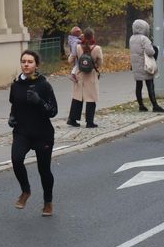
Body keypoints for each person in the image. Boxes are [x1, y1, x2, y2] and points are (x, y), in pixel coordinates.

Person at [8, 50, 58, 216]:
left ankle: (48, 202)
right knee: (16, 159)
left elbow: (53, 111)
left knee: (44, 170)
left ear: (36, 65)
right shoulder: (15, 85)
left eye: (30, 61)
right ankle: (25, 191)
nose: (26, 64)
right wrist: (12, 117)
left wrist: (39, 101)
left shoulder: (43, 85)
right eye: (24, 61)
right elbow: (14, 105)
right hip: (22, 131)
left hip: (42, 133)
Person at [67, 28, 103, 127]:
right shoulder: (97, 48)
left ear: (83, 36)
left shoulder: (78, 47)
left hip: (79, 74)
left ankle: (72, 119)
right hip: (91, 75)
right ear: (93, 36)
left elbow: (70, 59)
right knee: (91, 98)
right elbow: (100, 62)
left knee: (77, 97)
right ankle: (89, 122)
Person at [129, 19, 164, 113]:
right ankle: (155, 105)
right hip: (145, 64)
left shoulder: (131, 38)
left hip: (135, 64)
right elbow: (150, 52)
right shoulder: (144, 38)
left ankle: (141, 105)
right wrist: (155, 50)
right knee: (150, 84)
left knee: (138, 85)